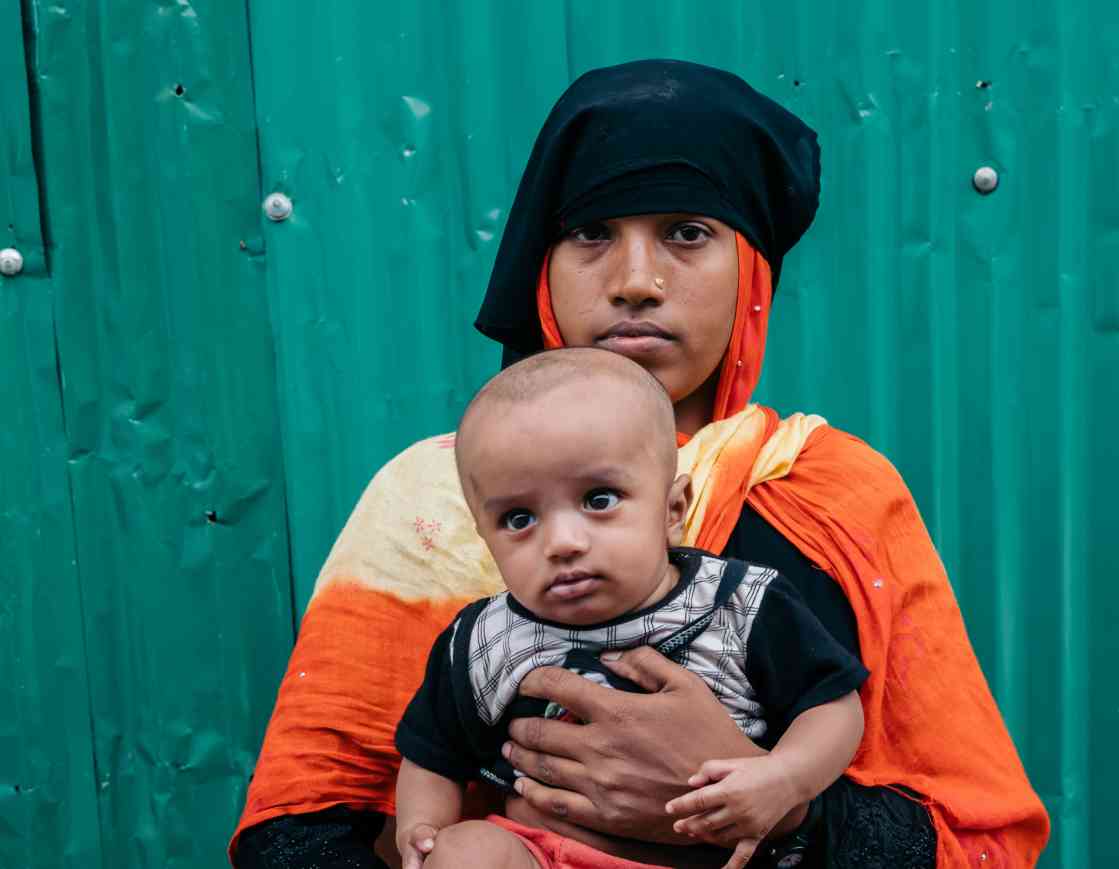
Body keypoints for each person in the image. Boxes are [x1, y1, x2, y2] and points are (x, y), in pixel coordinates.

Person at [232, 59, 1050, 869]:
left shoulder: (836, 499)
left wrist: (780, 809)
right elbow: (294, 836)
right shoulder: (429, 500)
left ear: (752, 273)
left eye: (688, 233)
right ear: (542, 272)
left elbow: (980, 842)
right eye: (592, 233)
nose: (635, 282)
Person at [394, 348, 868, 869]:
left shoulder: (740, 604)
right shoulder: (483, 640)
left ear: (672, 509)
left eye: (599, 500)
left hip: (704, 857)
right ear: (484, 536)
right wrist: (421, 829)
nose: (562, 542)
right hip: (542, 853)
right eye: (519, 518)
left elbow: (834, 706)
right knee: (466, 853)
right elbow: (430, 754)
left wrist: (785, 779)